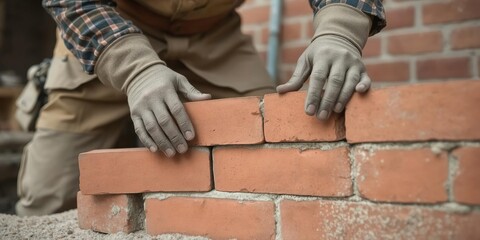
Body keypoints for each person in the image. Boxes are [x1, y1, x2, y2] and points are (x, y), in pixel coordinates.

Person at [15, 0, 386, 216]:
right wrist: (137, 71)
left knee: (280, 160)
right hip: (110, 33)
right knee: (49, 196)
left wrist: (339, 32)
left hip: (214, 38)